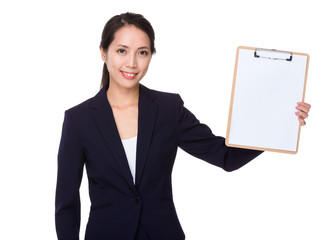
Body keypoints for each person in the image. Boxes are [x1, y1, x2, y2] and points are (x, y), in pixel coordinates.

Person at [55, 12, 311, 240]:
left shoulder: (168, 109)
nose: (132, 63)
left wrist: (278, 121)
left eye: (142, 52)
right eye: (122, 50)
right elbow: (66, 202)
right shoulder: (78, 120)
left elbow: (226, 156)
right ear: (103, 52)